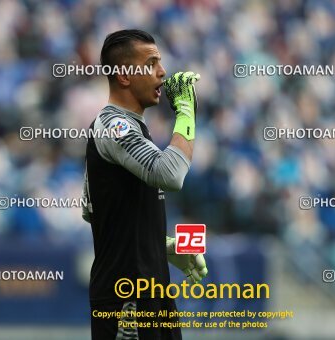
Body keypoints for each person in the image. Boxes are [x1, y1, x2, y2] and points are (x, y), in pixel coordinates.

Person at [81, 29, 208, 340]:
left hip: (151, 291)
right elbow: (171, 174)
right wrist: (186, 111)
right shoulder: (115, 125)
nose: (162, 72)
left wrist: (161, 246)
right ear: (124, 75)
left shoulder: (132, 128)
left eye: (160, 62)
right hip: (127, 298)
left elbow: (97, 211)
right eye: (151, 63)